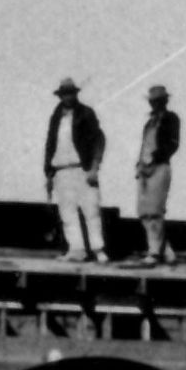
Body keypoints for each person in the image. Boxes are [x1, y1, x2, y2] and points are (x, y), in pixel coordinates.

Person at [43, 77, 108, 263]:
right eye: (64, 94)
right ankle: (76, 249)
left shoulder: (86, 113)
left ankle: (98, 249)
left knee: (91, 209)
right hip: (61, 170)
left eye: (70, 93)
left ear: (75, 94)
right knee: (67, 212)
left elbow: (99, 140)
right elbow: (50, 145)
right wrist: (49, 173)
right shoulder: (56, 117)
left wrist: (94, 167)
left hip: (82, 169)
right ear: (60, 96)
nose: (67, 97)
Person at [133, 84, 183, 264]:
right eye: (153, 101)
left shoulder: (170, 119)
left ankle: (155, 251)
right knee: (143, 210)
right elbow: (144, 145)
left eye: (158, 101)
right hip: (144, 168)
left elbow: (173, 144)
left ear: (165, 101)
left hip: (159, 167)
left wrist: (155, 157)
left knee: (155, 210)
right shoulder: (149, 123)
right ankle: (164, 250)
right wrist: (140, 164)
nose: (155, 104)